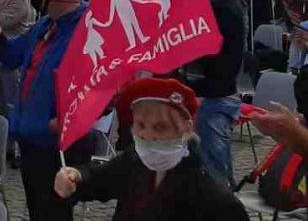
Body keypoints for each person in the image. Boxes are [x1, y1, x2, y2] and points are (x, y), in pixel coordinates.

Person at [0, 0, 92, 221]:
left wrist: (72, 119)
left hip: (57, 144)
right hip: (30, 138)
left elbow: (104, 86)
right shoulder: (46, 25)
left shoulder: (88, 30)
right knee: (38, 210)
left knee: (54, 212)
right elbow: (10, 54)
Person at [54, 77, 249, 220]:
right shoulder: (134, 160)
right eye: (140, 126)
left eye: (160, 127)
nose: (147, 136)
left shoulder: (209, 193)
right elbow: (99, 178)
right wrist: (75, 176)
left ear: (185, 129)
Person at [187, 0, 246, 187]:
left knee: (215, 171)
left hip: (216, 96)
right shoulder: (216, 1)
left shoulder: (226, 7)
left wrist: (198, 83)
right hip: (209, 92)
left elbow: (224, 59)